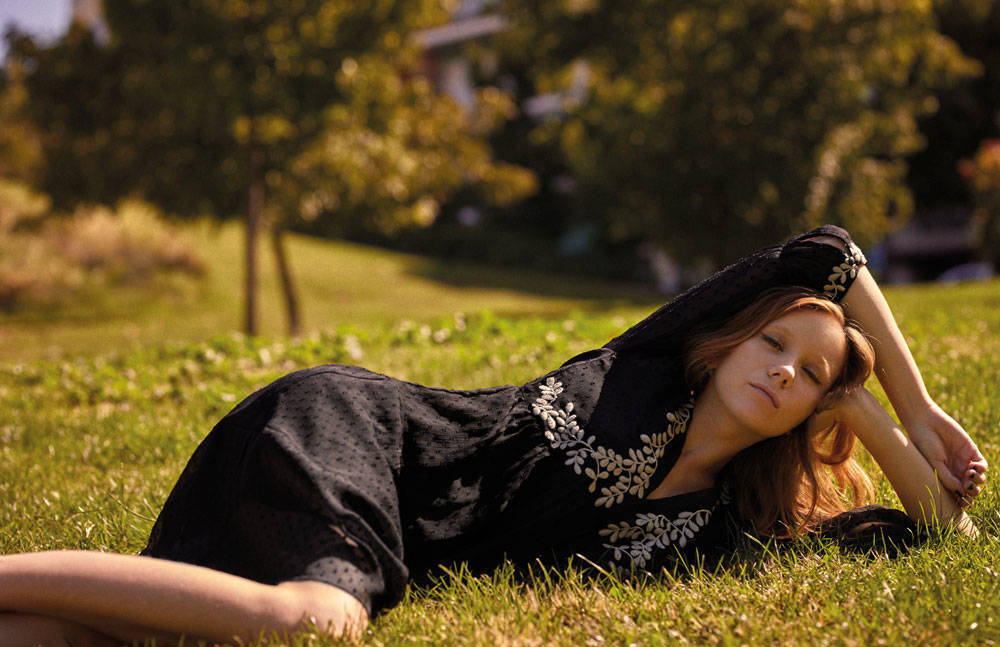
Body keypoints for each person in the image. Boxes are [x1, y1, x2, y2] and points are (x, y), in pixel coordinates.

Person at [0, 226, 987, 646]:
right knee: (313, 620)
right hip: (363, 433)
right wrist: (920, 403)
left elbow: (944, 534)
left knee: (76, 637)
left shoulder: (717, 528)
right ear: (723, 342)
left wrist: (858, 405)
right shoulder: (642, 368)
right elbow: (830, 253)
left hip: (385, 535)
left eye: (807, 373)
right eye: (773, 341)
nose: (784, 367)